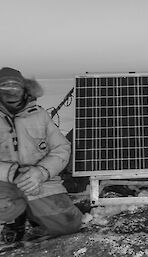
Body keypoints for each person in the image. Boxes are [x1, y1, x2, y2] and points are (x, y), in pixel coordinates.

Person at [0, 67, 82, 243]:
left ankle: (34, 215)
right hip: (4, 184)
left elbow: (62, 148)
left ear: (24, 89)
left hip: (41, 182)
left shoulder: (39, 114)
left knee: (69, 224)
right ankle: (15, 220)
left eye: (15, 86)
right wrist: (12, 173)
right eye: (4, 86)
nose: (11, 91)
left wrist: (42, 172)